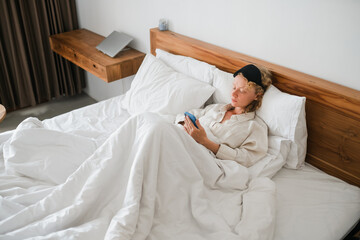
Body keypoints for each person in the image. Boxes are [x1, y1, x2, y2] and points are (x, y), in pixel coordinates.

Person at [177, 64, 272, 167]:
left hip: (199, 160)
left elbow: (246, 159)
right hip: (181, 142)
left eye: (242, 90)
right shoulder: (216, 108)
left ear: (257, 95)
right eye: (234, 87)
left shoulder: (255, 127)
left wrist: (205, 141)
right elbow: (186, 115)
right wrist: (186, 127)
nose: (233, 94)